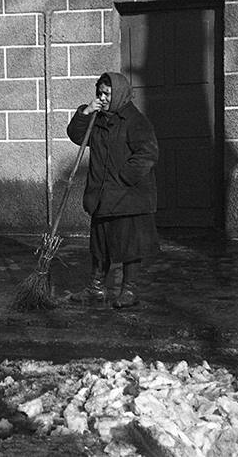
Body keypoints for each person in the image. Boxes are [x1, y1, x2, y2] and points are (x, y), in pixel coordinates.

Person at [66, 72, 160, 309]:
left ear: (118, 93)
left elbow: (147, 153)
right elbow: (76, 136)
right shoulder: (97, 118)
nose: (103, 97)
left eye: (107, 93)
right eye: (100, 92)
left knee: (130, 246)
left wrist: (124, 178)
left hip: (129, 196)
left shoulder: (134, 121)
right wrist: (86, 112)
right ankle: (96, 289)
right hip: (102, 195)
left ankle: (129, 291)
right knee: (99, 245)